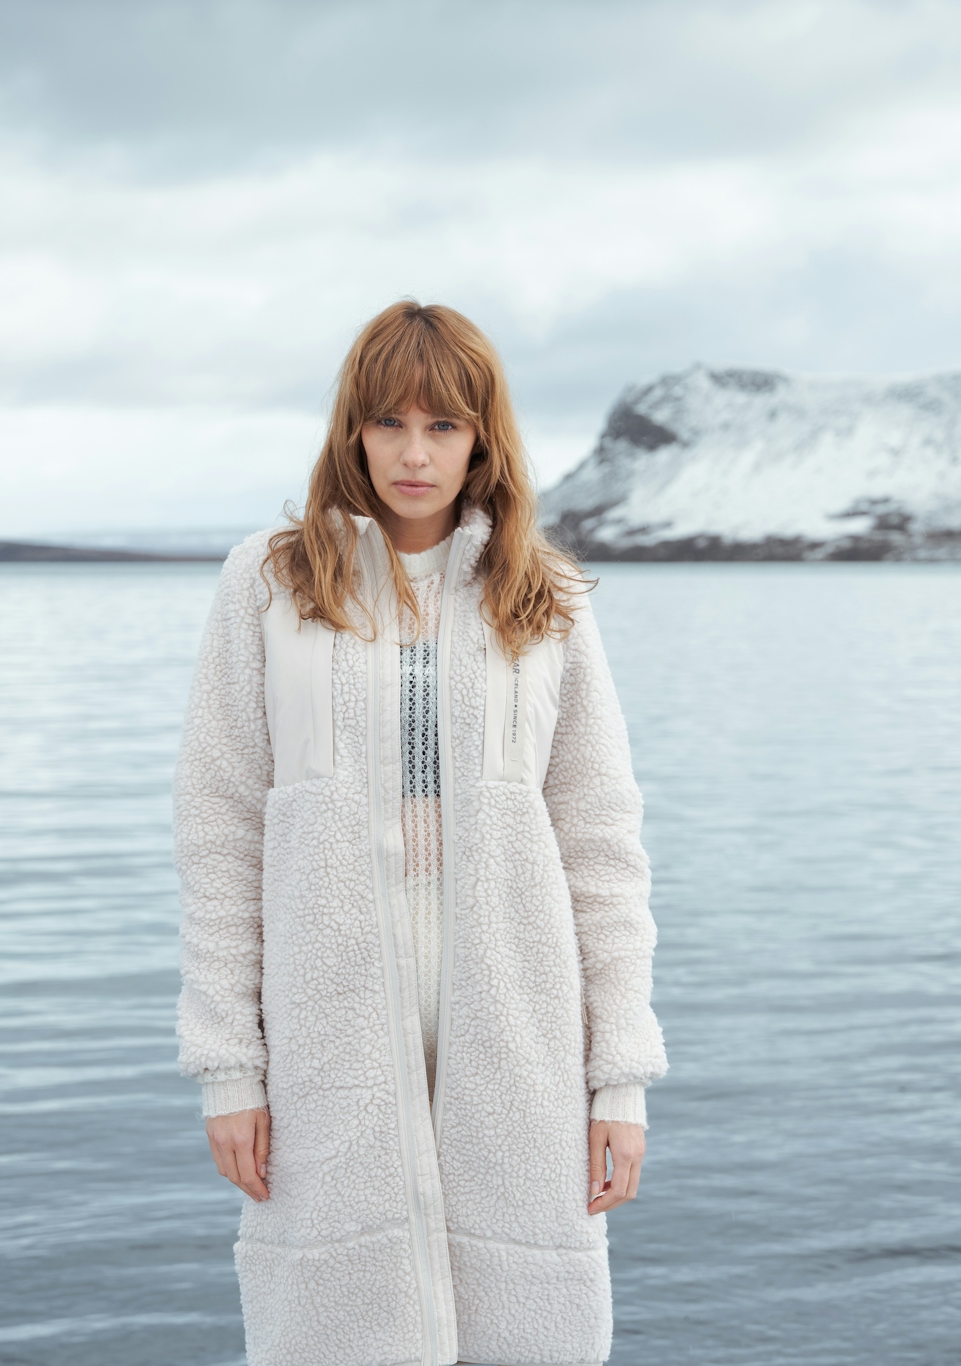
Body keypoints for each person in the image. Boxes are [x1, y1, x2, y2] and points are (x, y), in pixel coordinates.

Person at [174, 300, 668, 1366]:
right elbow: (218, 828)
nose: (412, 453)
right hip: (328, 1033)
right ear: (350, 430)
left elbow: (600, 843)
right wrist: (230, 1066)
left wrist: (616, 1076)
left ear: (482, 438)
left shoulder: (547, 598)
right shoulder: (267, 584)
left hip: (516, 1033)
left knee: (526, 1325)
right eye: (388, 423)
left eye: (442, 426)